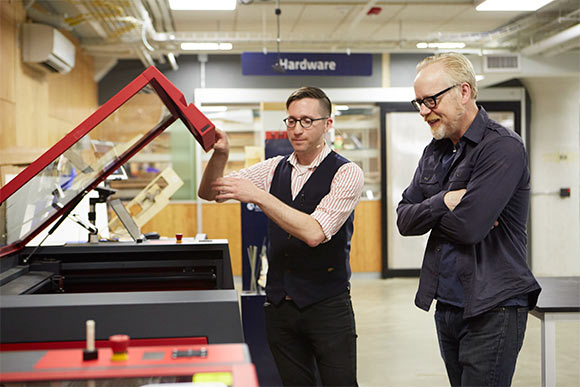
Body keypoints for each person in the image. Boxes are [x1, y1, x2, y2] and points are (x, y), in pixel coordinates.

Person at [198, 86, 363, 386]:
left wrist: (259, 197)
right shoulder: (274, 168)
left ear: (327, 124)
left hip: (327, 306)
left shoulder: (347, 173)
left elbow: (315, 232)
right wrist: (221, 155)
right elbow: (210, 192)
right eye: (291, 121)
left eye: (307, 121)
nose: (297, 129)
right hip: (280, 308)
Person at [396, 52, 541, 387]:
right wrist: (446, 201)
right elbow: (404, 220)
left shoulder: (502, 147)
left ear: (464, 91)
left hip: (494, 306)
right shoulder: (435, 151)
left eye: (431, 99)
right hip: (447, 302)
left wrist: (431, 214)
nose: (423, 111)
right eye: (418, 102)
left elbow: (469, 227)